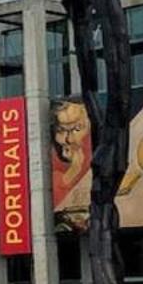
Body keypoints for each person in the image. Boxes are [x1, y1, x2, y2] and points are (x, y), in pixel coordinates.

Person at [50, 98, 93, 233]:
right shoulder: (51, 156)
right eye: (61, 130)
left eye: (77, 129)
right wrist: (74, 169)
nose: (68, 139)